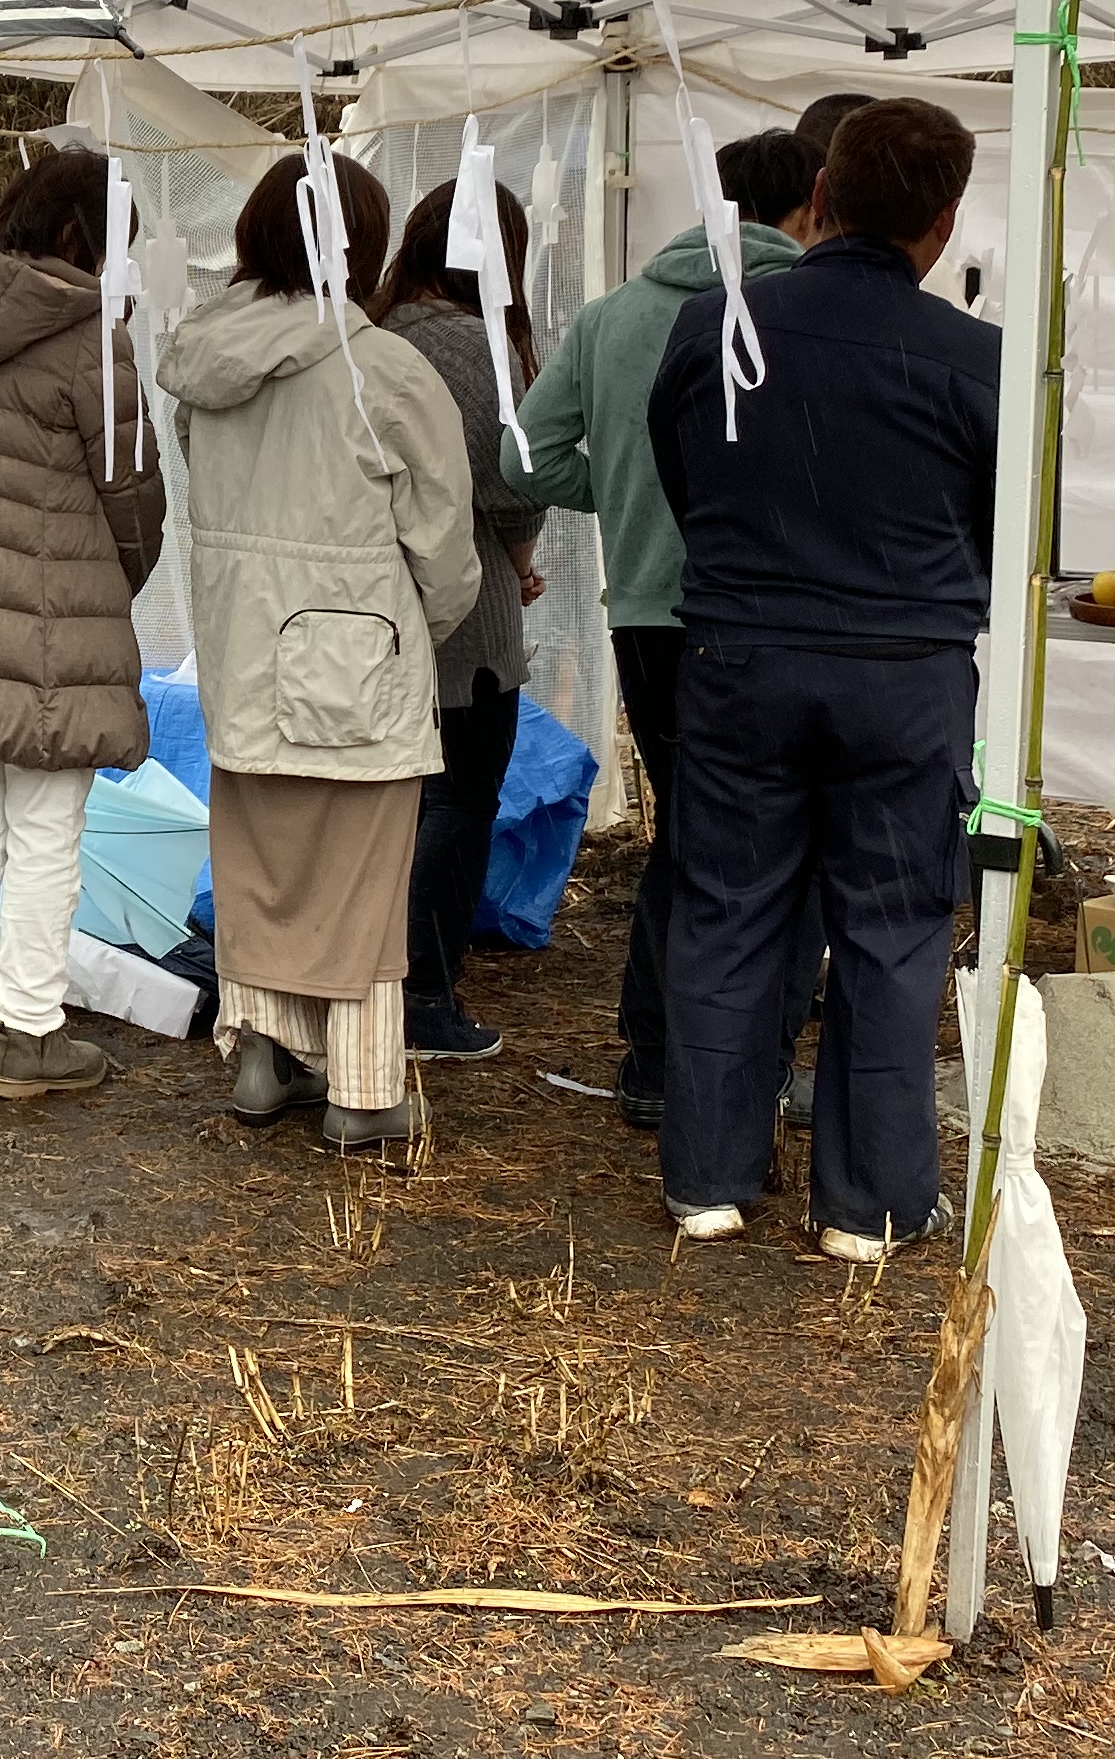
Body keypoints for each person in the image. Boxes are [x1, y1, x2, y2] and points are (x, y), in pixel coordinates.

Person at [647, 101, 998, 1256]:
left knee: (727, 908)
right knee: (892, 928)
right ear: (942, 226)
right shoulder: (974, 358)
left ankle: (707, 1177)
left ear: (825, 193)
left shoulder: (716, 325)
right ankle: (871, 1203)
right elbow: (1005, 528)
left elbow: (682, 475)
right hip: (905, 673)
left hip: (742, 654)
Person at [159, 153, 480, 1155]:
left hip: (244, 653)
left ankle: (263, 1060)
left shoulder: (201, 361)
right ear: (362, 245)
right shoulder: (385, 369)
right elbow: (446, 546)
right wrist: (413, 636)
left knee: (261, 870)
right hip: (361, 658)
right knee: (361, 880)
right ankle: (364, 1088)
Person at [506, 129, 824, 1127]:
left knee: (687, 832)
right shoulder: (805, 312)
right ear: (815, 200)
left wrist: (632, 490)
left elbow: (527, 462)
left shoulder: (612, 316)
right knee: (765, 844)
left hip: (646, 608)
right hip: (768, 613)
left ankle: (655, 1052)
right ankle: (732, 1060)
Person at [0, 145, 165, 1102]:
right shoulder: (94, 339)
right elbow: (131, 495)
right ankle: (33, 1032)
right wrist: (115, 579)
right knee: (48, 828)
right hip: (49, 621)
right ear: (76, 236)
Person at [381, 179, 551, 1066]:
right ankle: (423, 994)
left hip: (372, 610)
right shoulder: (474, 347)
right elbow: (513, 480)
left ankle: (380, 984)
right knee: (458, 800)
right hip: (466, 621)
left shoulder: (372, 333)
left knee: (393, 811)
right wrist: (522, 560)